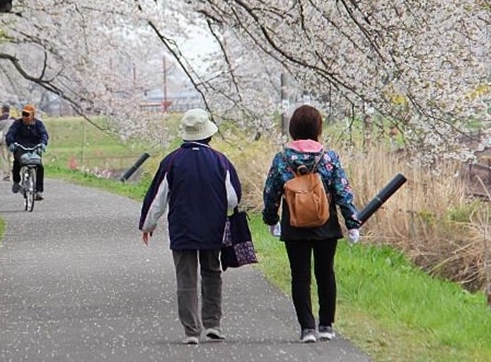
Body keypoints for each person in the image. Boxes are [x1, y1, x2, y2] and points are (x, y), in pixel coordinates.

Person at [138, 108, 242, 346]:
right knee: (212, 272)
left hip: (182, 228)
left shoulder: (172, 161)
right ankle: (213, 324)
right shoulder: (220, 161)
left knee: (186, 277)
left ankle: (191, 331)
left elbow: (157, 197)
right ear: (209, 134)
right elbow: (233, 199)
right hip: (213, 228)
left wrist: (148, 225)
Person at [261, 104, 361, 344]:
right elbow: (342, 191)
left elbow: (271, 192)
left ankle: (307, 328)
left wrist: (272, 219)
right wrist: (352, 223)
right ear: (318, 129)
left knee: (300, 276)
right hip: (325, 223)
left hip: (294, 224)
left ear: (293, 129)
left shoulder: (282, 159)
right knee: (325, 273)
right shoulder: (329, 158)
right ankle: (326, 325)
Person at [6, 104, 49, 200]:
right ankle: (16, 181)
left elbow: (44, 134)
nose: (25, 117)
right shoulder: (17, 124)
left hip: (34, 147)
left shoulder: (38, 124)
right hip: (20, 146)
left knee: (40, 166)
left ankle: (39, 190)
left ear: (33, 115)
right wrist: (11, 143)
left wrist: (43, 143)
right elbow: (10, 134)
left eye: (27, 114)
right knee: (17, 162)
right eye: (23, 114)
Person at [0, 105, 16, 181]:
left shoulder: (0, 119)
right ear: (9, 110)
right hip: (12, 140)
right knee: (12, 156)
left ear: (2, 110)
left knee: (4, 158)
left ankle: (6, 175)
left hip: (3, 140)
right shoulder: (13, 119)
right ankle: (14, 169)